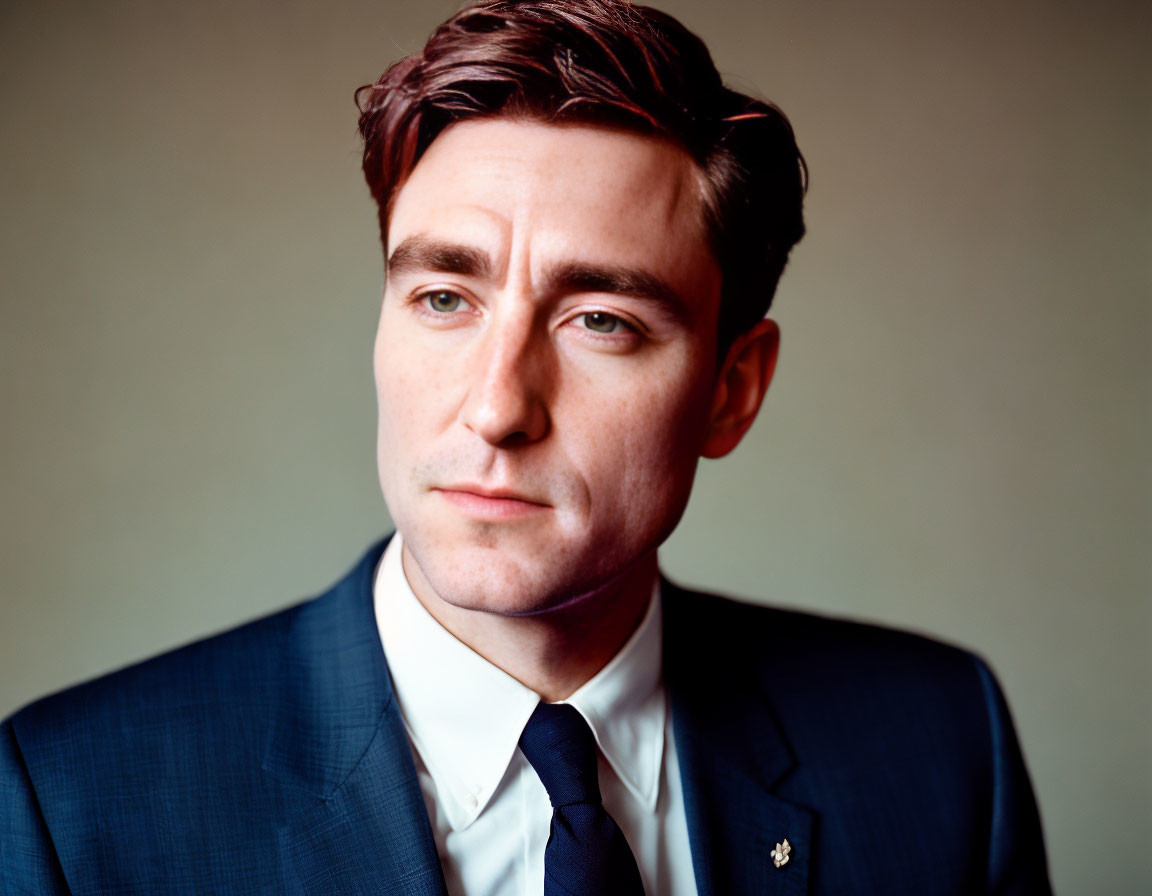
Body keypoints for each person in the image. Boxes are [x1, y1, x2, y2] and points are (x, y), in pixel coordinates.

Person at [0, 1, 1051, 893]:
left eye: (601, 320)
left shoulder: (940, 748)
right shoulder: (70, 803)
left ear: (733, 389)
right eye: (444, 295)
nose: (498, 407)